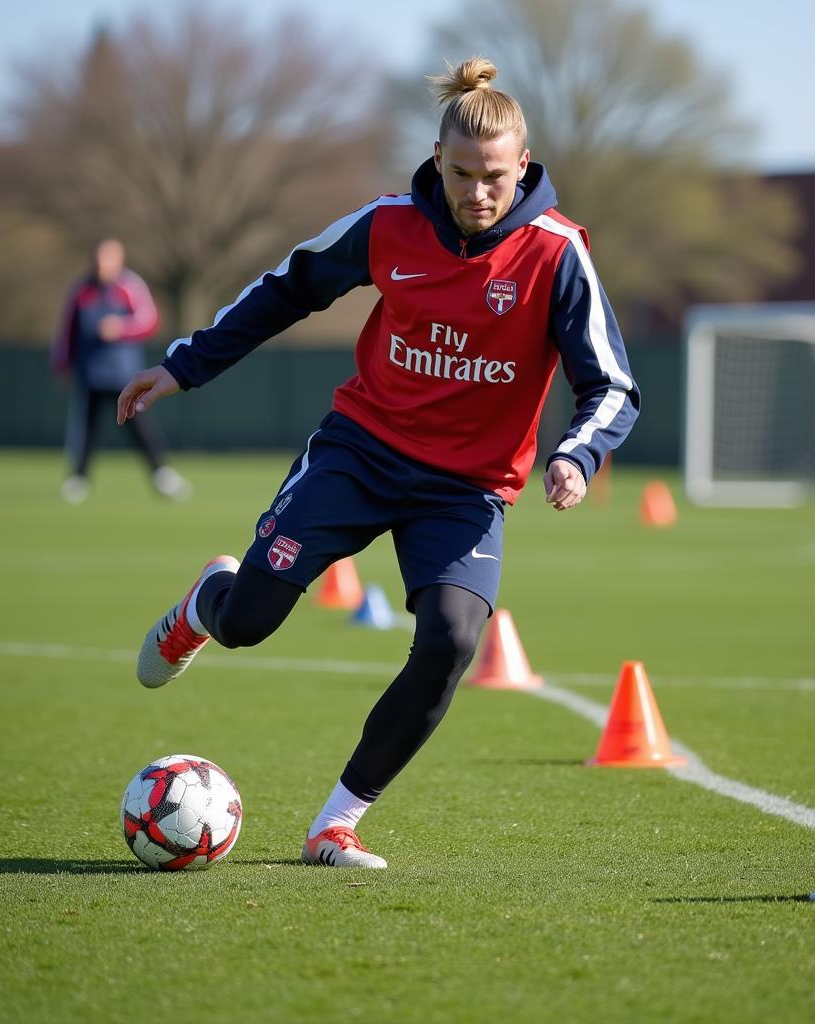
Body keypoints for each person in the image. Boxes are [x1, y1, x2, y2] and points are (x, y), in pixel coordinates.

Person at [117, 57, 640, 869]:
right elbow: (286, 287)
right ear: (437, 160)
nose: (477, 194)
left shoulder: (557, 254)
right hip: (360, 453)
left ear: (525, 166)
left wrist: (576, 454)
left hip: (466, 490)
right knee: (249, 622)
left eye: (495, 178)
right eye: (461, 174)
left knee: (452, 639)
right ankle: (203, 607)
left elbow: (610, 384)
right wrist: (184, 365)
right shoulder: (388, 225)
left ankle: (337, 823)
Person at [52, 239, 190, 503]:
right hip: (89, 373)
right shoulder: (81, 290)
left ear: (119, 260)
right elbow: (67, 332)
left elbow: (150, 321)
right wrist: (63, 364)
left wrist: (120, 327)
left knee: (139, 425)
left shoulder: (130, 285)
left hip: (123, 374)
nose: (101, 264)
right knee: (86, 428)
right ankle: (78, 479)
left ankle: (161, 475)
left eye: (107, 259)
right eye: (98, 258)